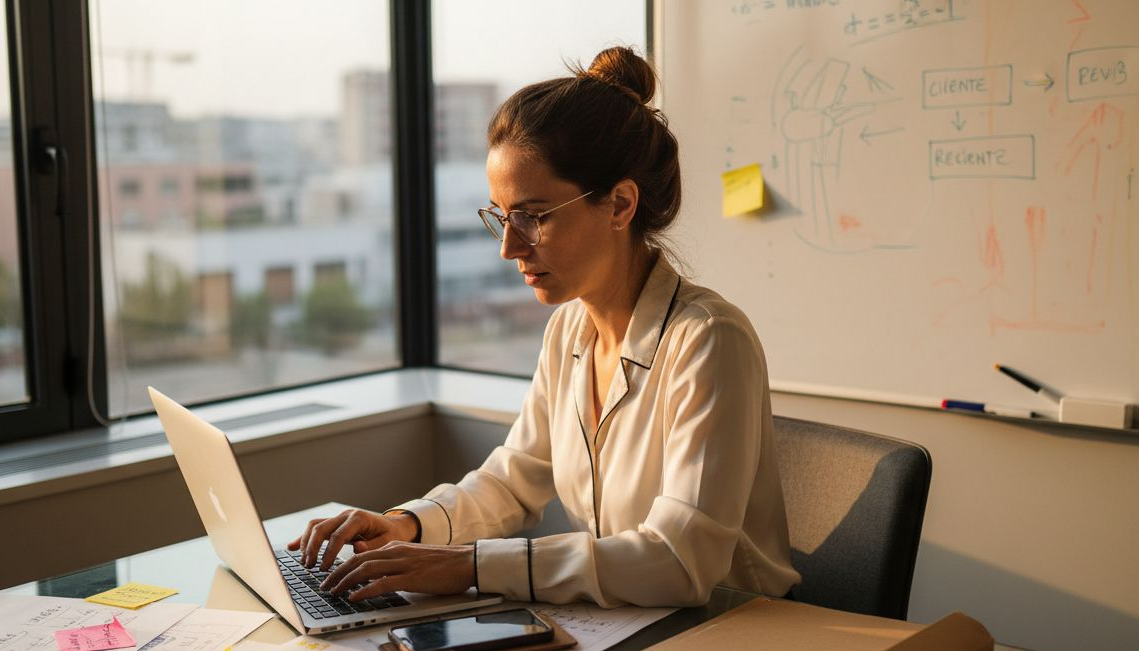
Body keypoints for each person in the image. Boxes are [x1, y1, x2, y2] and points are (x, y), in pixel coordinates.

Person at [288, 46, 799, 608]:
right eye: (502, 218)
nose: (510, 247)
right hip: (627, 625)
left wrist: (469, 567)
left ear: (620, 204)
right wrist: (409, 525)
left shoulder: (708, 340)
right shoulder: (569, 331)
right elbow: (515, 477)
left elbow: (679, 561)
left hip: (734, 636)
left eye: (533, 217)